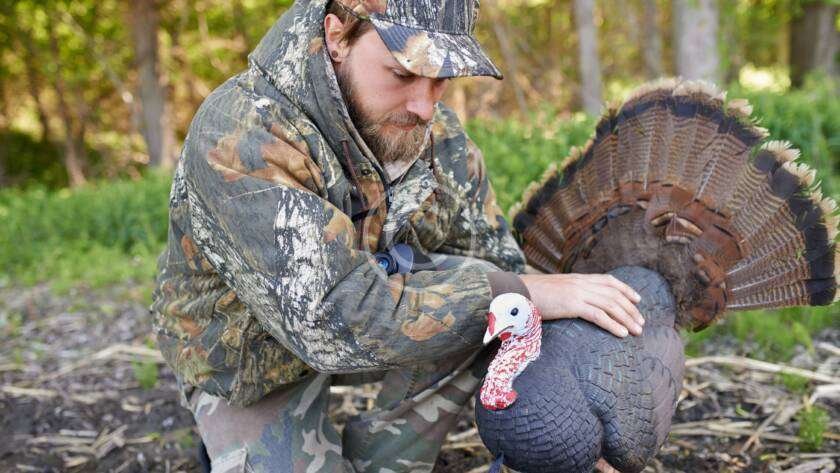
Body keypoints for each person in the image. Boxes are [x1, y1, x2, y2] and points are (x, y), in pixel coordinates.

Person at [150, 0, 644, 471]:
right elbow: (332, 320)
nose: (425, 106)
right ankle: (236, 444)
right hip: (251, 358)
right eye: (403, 74)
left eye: (441, 79)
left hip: (375, 314)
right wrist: (516, 293)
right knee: (500, 295)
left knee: (497, 292)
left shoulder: (433, 133)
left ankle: (384, 461)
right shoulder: (243, 134)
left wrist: (578, 426)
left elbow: (495, 263)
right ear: (337, 36)